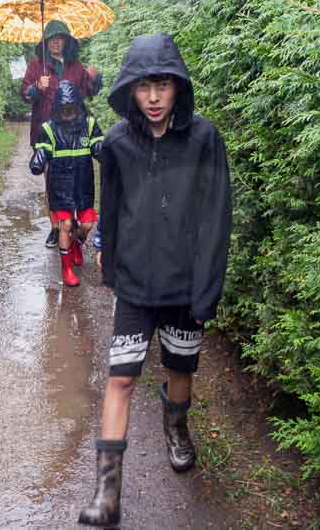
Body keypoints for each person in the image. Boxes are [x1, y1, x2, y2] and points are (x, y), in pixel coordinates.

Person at [78, 33, 232, 526]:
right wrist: (110, 255)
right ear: (131, 89)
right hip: (136, 287)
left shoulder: (205, 138)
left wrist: (208, 285)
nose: (153, 97)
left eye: (163, 85)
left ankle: (177, 430)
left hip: (185, 286)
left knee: (180, 369)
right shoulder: (118, 141)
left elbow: (216, 215)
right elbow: (113, 205)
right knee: (120, 377)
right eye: (144, 86)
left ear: (178, 86)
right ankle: (107, 494)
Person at [21, 20, 102, 249]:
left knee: (77, 179)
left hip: (75, 134)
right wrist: (37, 87)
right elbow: (25, 94)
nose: (56, 42)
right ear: (45, 42)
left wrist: (95, 78)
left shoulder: (76, 66)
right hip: (45, 132)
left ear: (66, 41)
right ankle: (56, 227)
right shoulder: (37, 66)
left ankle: (73, 224)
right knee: (52, 181)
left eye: (60, 38)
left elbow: (88, 92)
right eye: (52, 38)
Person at [29, 81, 104, 287]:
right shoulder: (49, 129)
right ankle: (67, 268)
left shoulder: (89, 125)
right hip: (60, 186)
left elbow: (99, 144)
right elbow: (42, 148)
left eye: (72, 108)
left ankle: (76, 244)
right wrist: (40, 155)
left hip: (83, 185)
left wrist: (103, 150)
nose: (68, 113)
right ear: (57, 109)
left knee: (87, 224)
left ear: (79, 106)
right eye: (64, 109)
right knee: (66, 224)